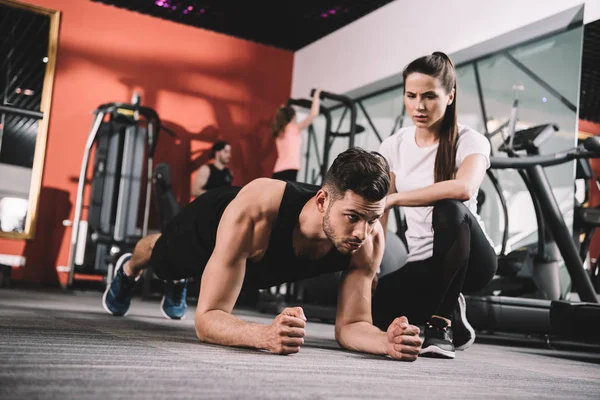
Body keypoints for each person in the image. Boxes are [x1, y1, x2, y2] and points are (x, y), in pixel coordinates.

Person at [102, 147, 423, 360]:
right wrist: (263, 335)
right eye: (353, 217)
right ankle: (128, 269)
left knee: (181, 272)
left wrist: (386, 342)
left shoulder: (368, 237)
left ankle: (179, 279)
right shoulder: (257, 210)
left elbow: (352, 323)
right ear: (323, 201)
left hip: (252, 262)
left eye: (372, 218)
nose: (361, 233)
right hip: (208, 228)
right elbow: (208, 319)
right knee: (160, 259)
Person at [372, 52, 497, 359]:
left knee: (448, 207)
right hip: (423, 263)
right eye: (411, 95)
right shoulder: (393, 146)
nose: (419, 106)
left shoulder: (471, 140)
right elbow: (382, 214)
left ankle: (441, 324)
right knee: (378, 313)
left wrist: (397, 197)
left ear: (450, 96)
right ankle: (450, 306)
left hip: (471, 260)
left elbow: (465, 188)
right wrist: (372, 267)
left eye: (429, 96)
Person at [271, 89, 323, 182]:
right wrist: (317, 94)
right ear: (293, 117)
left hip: (277, 171)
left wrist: (283, 109)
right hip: (289, 171)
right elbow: (314, 114)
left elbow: (281, 114)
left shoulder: (279, 131)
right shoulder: (293, 128)